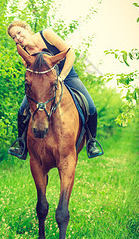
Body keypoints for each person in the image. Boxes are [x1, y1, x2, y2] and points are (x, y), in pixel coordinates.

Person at [7, 20, 102, 159]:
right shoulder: (24, 55)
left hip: (67, 76)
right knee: (22, 110)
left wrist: (62, 77)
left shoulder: (47, 34)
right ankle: (22, 145)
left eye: (19, 33)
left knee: (91, 106)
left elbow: (70, 54)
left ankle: (91, 142)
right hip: (44, 86)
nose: (18, 38)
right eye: (14, 37)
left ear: (27, 29)